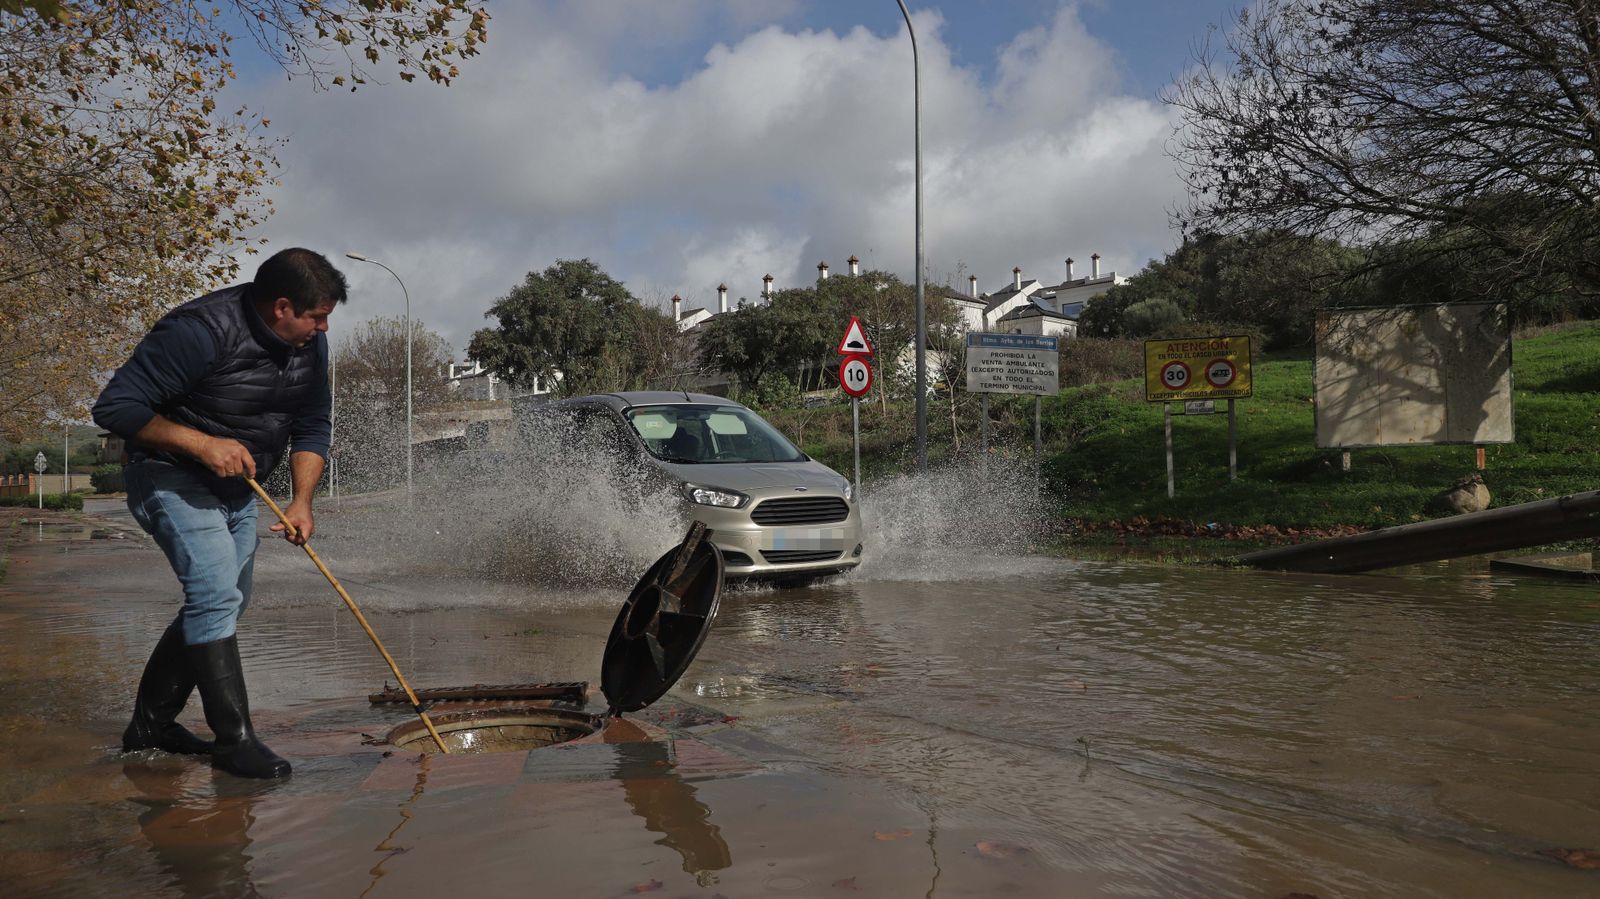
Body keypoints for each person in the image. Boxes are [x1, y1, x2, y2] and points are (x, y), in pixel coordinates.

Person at [93, 247, 345, 779]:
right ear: (282, 307)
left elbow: (314, 422)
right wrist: (202, 443)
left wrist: (302, 501)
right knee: (213, 594)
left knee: (227, 602)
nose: (323, 330)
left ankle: (151, 728)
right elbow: (115, 407)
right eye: (316, 317)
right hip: (167, 475)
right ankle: (235, 742)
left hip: (237, 490)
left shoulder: (310, 346)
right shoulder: (199, 331)